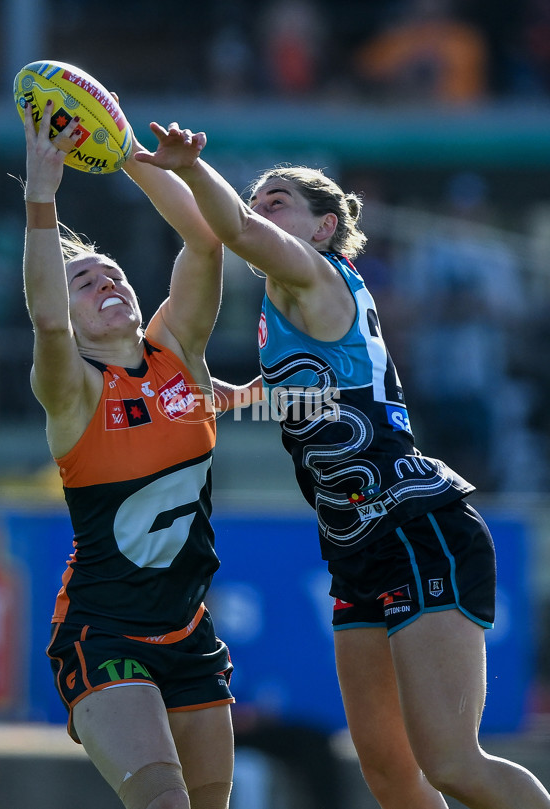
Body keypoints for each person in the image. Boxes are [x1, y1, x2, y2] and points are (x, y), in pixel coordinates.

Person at [134, 125, 550, 809]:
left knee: (451, 761)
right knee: (388, 772)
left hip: (418, 525)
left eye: (279, 201)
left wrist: (193, 168)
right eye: (259, 198)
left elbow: (229, 225)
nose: (261, 208)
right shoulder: (296, 295)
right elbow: (328, 386)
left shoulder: (313, 272)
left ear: (325, 227)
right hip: (358, 546)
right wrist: (240, 397)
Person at [21, 102, 235, 809]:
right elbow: (48, 318)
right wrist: (41, 199)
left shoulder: (179, 355)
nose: (106, 282)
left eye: (113, 273)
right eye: (87, 281)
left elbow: (205, 241)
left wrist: (131, 155)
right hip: (102, 630)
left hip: (189, 630)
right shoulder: (73, 388)